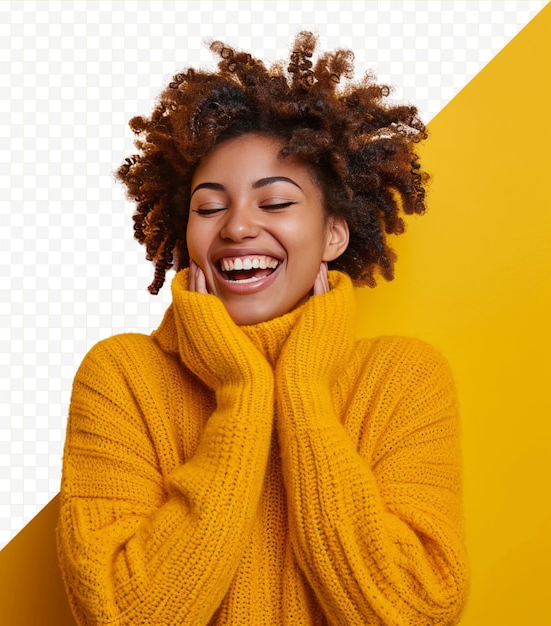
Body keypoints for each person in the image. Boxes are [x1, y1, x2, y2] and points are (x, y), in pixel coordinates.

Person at [56, 32, 468, 625]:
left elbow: (415, 611)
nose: (238, 227)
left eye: (274, 203)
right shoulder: (120, 376)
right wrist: (243, 391)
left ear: (334, 234)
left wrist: (299, 390)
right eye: (208, 206)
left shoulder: (403, 379)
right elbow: (126, 615)